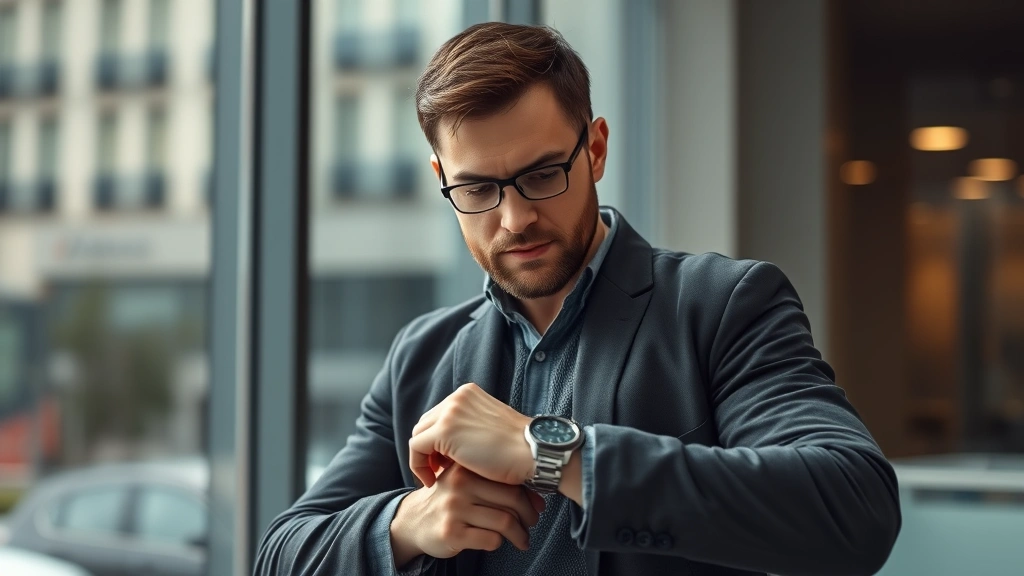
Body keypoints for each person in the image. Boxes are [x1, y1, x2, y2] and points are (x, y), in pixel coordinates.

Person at [254, 22, 901, 576]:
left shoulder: (722, 306)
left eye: (541, 176)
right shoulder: (421, 355)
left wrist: (552, 451)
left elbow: (853, 509)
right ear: (441, 181)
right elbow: (282, 553)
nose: (513, 220)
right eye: (477, 189)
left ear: (594, 149)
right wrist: (406, 521)